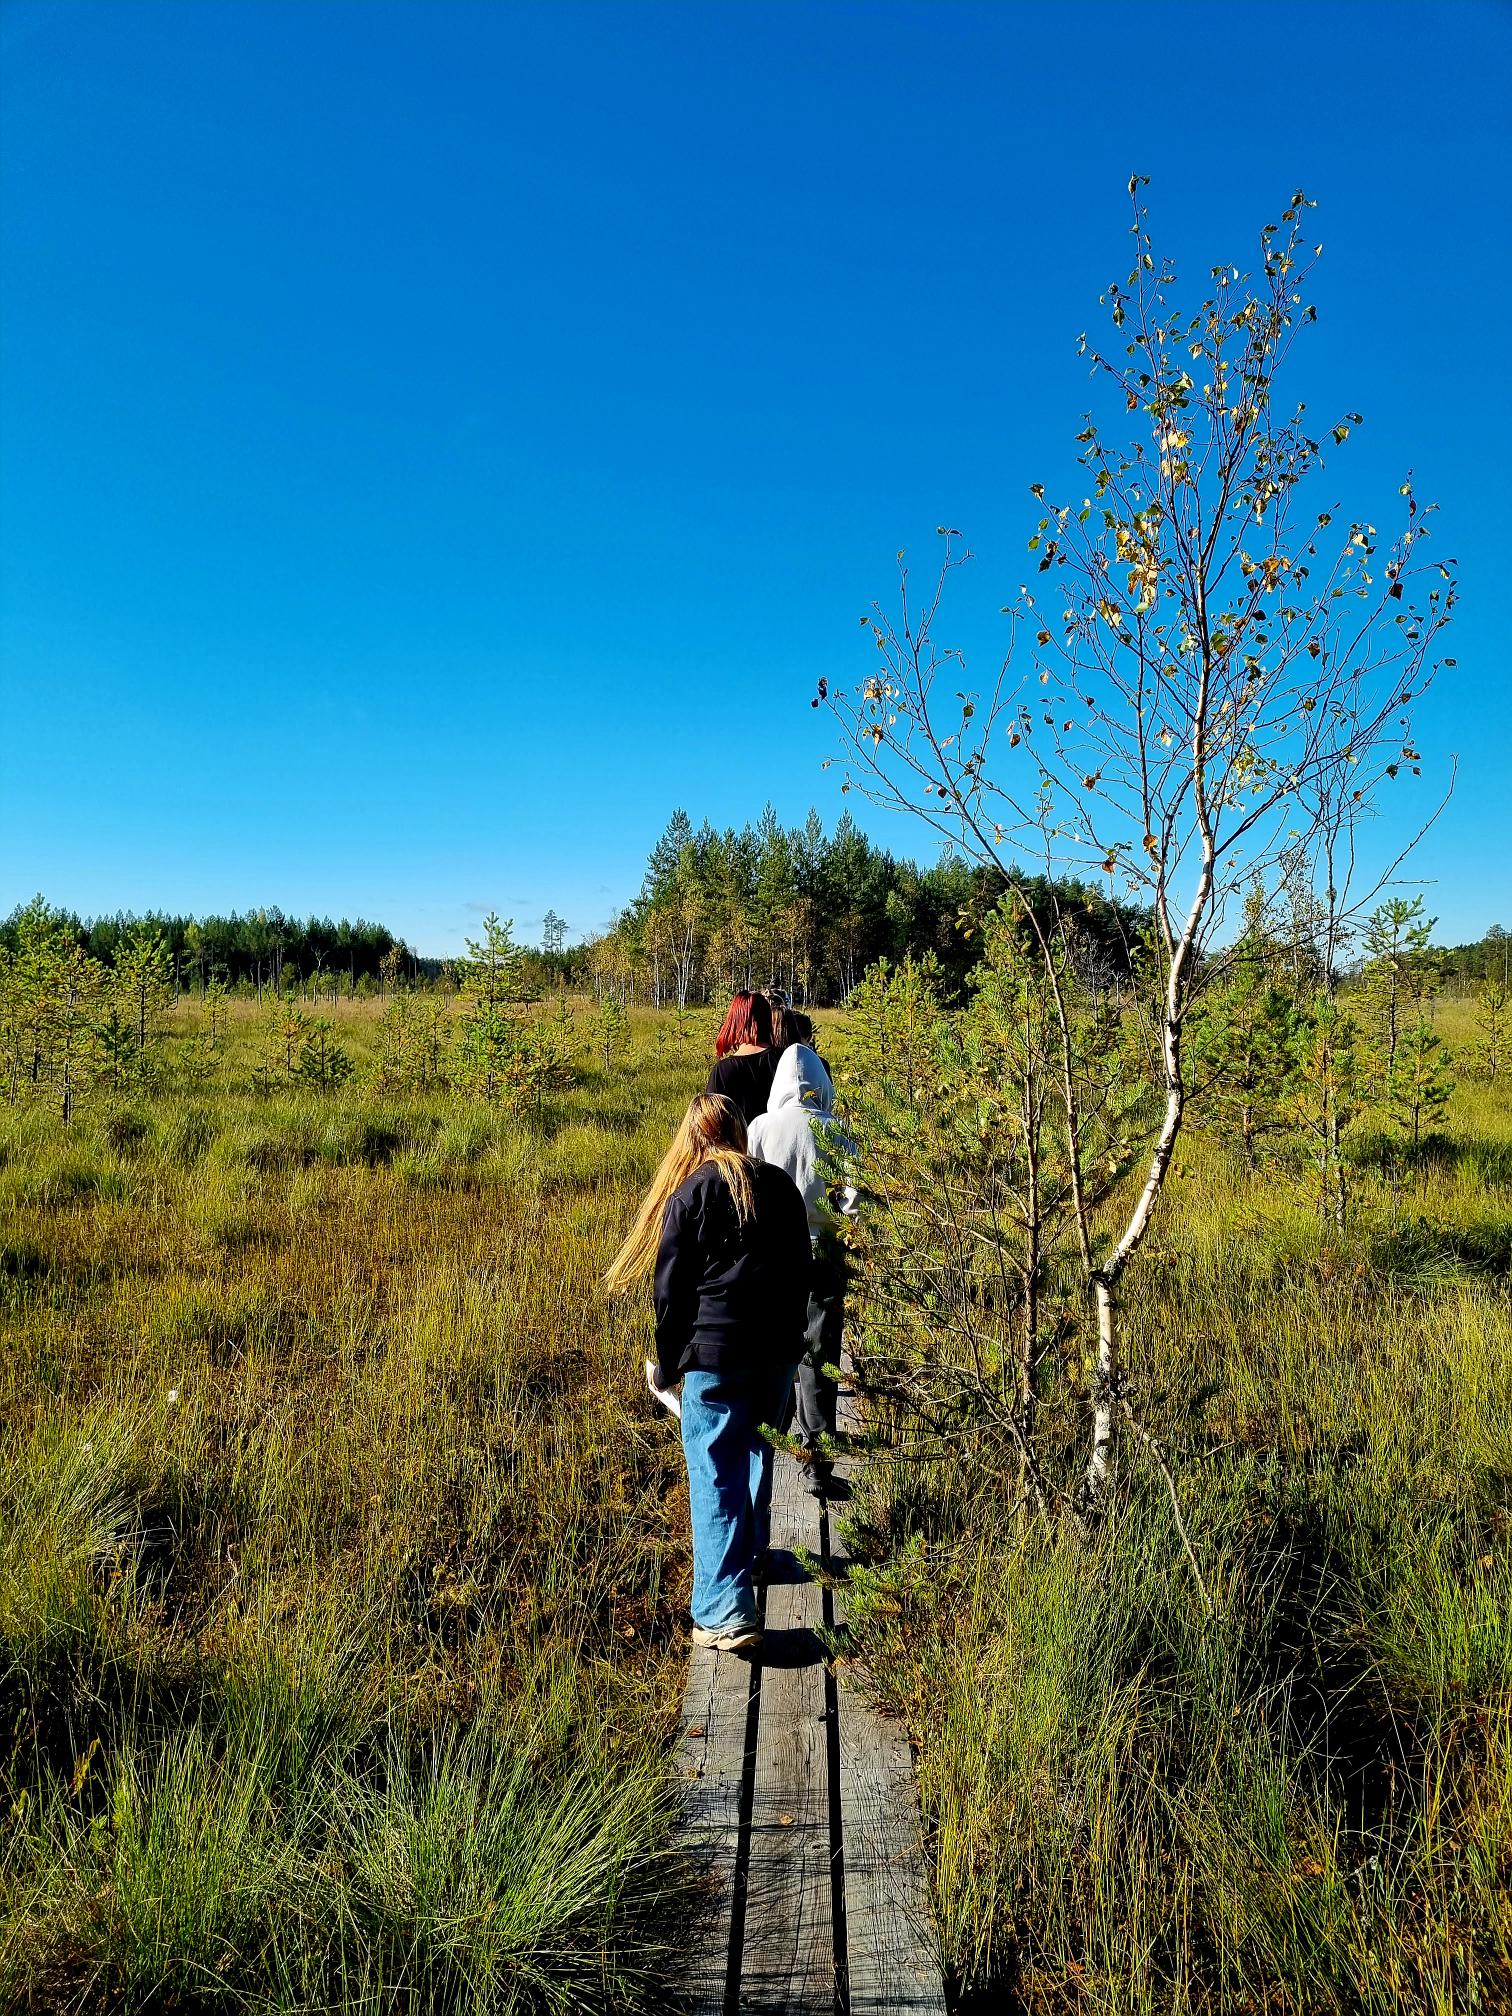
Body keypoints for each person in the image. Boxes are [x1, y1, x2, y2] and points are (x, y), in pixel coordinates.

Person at [606, 1093, 811, 1652]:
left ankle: (725, 1609)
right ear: (740, 1131)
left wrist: (668, 1365)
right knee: (757, 1454)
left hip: (715, 1356)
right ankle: (753, 1559)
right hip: (776, 1354)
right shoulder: (781, 1187)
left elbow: (671, 1296)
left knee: (715, 1471)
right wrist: (791, 1348)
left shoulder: (692, 1192)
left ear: (693, 1139)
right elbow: (801, 1274)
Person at [747, 1044, 853, 1499]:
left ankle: (767, 1444)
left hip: (773, 1255)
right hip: (823, 1252)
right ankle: (818, 1464)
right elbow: (854, 1202)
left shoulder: (760, 1128)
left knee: (773, 1349)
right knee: (820, 1356)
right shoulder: (836, 1131)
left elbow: (745, 1192)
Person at [704, 990, 780, 1125]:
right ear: (767, 1019)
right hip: (781, 1137)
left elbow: (712, 1122)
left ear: (734, 1020)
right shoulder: (785, 1058)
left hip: (740, 1138)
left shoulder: (723, 1070)